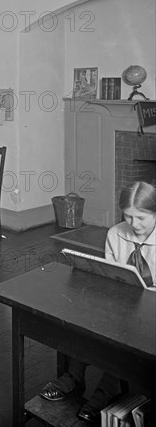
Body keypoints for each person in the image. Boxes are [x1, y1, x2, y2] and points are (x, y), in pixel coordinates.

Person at [40, 181, 156, 423]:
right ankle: (74, 376)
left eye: (142, 218)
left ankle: (106, 390)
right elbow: (110, 274)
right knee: (89, 315)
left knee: (126, 330)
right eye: (128, 216)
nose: (134, 225)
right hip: (121, 303)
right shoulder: (115, 233)